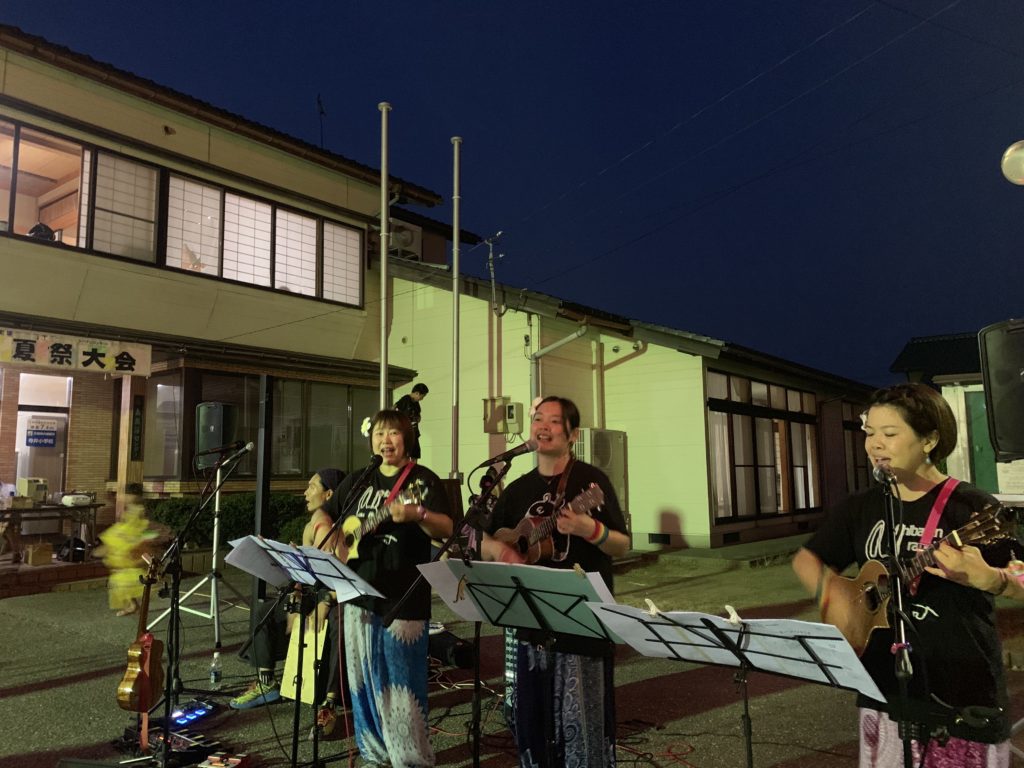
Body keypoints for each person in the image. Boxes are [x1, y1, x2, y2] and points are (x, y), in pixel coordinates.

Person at [792, 383, 1015, 767]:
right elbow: (807, 561)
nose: (875, 444)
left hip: (961, 692)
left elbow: (1020, 576)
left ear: (929, 440)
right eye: (870, 433)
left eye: (890, 433)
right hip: (883, 689)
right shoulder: (860, 507)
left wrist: (993, 580)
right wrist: (837, 602)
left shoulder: (972, 507)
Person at [480, 395, 629, 768]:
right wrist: (500, 551)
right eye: (537, 419)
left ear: (572, 434)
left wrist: (589, 528)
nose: (543, 426)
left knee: (583, 730)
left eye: (554, 421)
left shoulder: (591, 482)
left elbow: (622, 544)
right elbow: (481, 539)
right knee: (532, 725)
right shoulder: (517, 489)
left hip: (581, 625)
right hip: (530, 623)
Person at [328, 409, 453, 766]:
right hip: (358, 595)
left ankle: (410, 760)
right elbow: (326, 512)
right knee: (362, 683)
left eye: (393, 433)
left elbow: (448, 528)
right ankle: (374, 753)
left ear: (407, 438)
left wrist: (419, 515)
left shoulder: (422, 481)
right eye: (379, 433)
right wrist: (329, 533)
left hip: (403, 598)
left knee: (402, 687)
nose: (386, 440)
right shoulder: (359, 479)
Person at [230, 468, 345, 722]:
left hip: (334, 597)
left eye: (312, 487)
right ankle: (266, 682)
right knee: (264, 611)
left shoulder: (337, 529)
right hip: (312, 593)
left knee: (338, 622)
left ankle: (331, 699)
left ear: (329, 494)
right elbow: (302, 575)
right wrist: (295, 597)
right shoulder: (311, 525)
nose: (305, 493)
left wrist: (325, 603)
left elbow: (343, 578)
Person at [395, 382, 429, 459]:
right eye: (422, 396)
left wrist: (417, 418)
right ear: (417, 393)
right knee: (406, 453)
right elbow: (394, 408)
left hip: (414, 432)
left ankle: (413, 466)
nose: (422, 399)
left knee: (415, 454)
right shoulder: (405, 399)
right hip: (405, 432)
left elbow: (418, 415)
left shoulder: (416, 403)